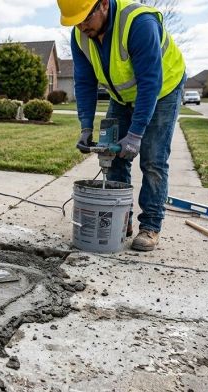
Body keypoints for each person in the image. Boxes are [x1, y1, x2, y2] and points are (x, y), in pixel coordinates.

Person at [58, 0, 186, 251]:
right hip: (122, 96)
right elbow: (84, 82)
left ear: (103, 4)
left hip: (162, 90)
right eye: (76, 21)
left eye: (85, 18)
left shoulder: (139, 23)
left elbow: (150, 82)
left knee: (153, 160)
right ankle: (121, 218)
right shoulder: (80, 35)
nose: (81, 26)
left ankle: (150, 226)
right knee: (113, 154)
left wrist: (136, 133)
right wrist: (85, 127)